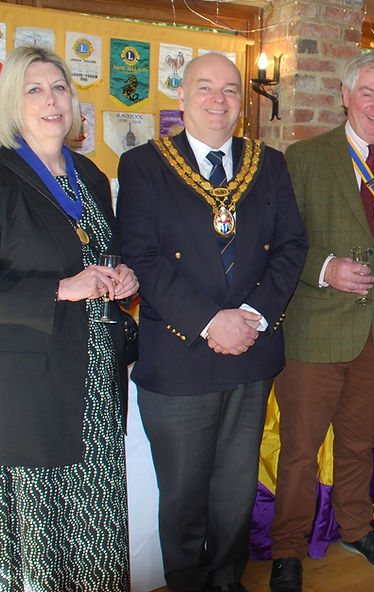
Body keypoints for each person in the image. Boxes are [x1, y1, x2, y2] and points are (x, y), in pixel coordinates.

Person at [0, 46, 139, 591]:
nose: (51, 100)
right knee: (42, 549)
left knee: (96, 535)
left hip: (96, 386)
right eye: (34, 90)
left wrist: (122, 278)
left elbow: (99, 256)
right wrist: (61, 289)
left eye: (59, 88)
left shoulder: (91, 177)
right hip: (28, 396)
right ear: (13, 104)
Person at [117, 52, 307, 592]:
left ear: (241, 102)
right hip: (179, 358)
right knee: (183, 497)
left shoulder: (268, 164)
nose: (218, 99)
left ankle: (227, 582)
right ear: (181, 96)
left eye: (229, 89)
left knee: (235, 492)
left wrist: (251, 316)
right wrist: (208, 322)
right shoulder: (144, 165)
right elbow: (142, 257)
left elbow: (291, 246)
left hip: (250, 351)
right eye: (204, 87)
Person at [268, 52, 374, 592]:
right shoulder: (305, 158)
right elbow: (282, 243)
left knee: (359, 445)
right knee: (300, 452)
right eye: (368, 93)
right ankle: (288, 549)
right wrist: (326, 268)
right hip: (315, 332)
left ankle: (357, 529)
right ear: (345, 95)